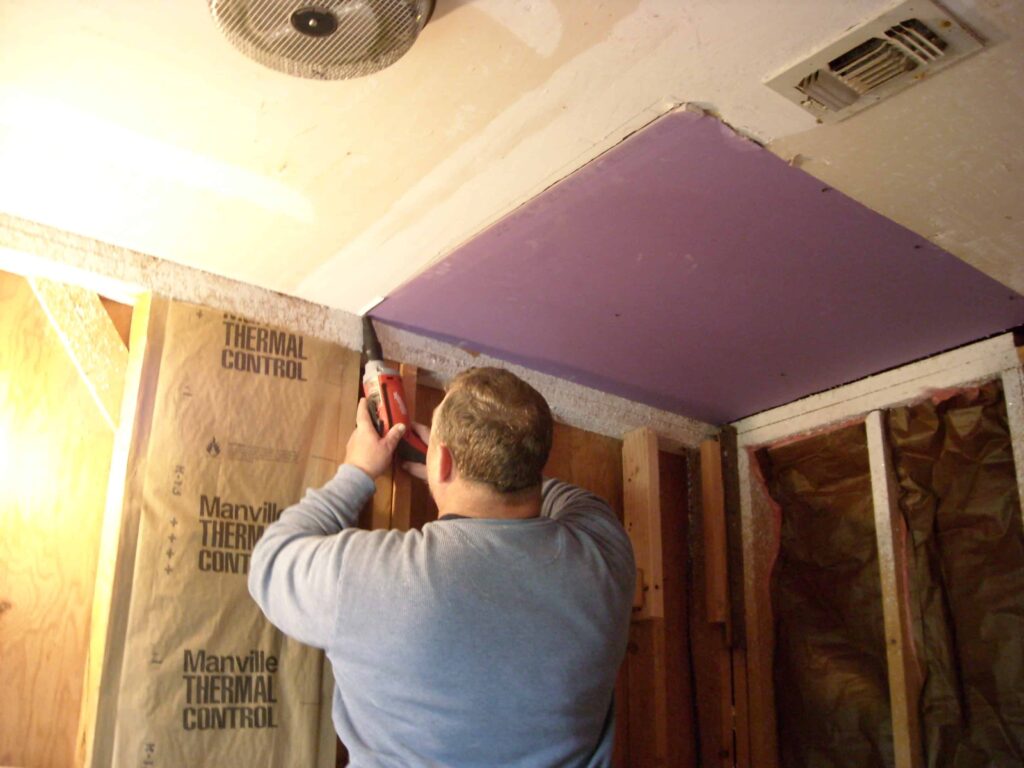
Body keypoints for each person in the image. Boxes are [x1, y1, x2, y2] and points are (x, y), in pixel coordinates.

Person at [249, 367, 636, 767]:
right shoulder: (606, 558)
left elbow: (271, 562)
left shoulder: (375, 579)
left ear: (443, 460)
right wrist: (474, 467)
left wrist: (358, 471)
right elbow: (574, 501)